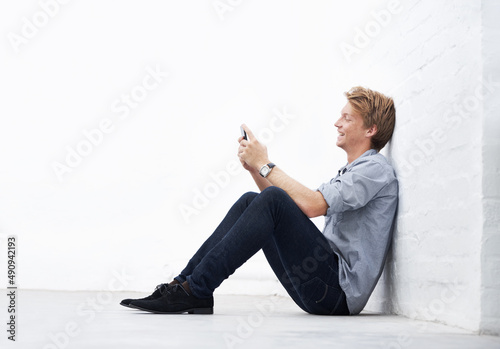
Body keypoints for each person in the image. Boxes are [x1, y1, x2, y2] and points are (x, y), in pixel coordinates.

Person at [120, 86, 398, 315]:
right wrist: (256, 169)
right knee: (251, 200)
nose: (337, 123)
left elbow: (312, 205)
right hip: (320, 287)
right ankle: (185, 286)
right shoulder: (353, 171)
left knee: (273, 198)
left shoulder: (375, 170)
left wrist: (265, 164)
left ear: (370, 129)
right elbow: (288, 205)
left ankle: (196, 290)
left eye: (347, 118)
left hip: (335, 294)